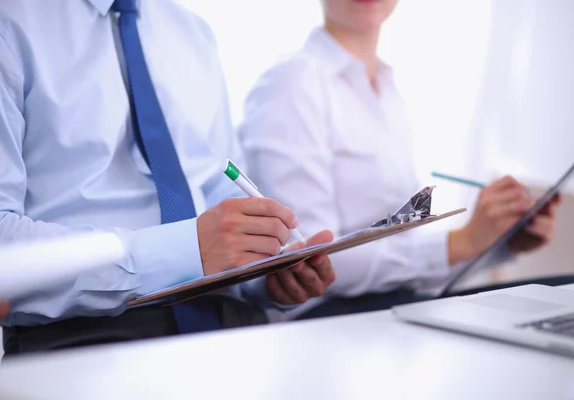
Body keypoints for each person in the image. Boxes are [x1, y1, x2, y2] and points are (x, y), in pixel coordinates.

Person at [0, 0, 336, 356]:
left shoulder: (193, 31)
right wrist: (184, 251)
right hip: (89, 339)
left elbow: (222, 190)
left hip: (235, 327)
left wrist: (266, 274)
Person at [238, 0, 563, 320]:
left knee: (556, 294)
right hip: (327, 319)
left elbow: (403, 263)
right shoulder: (292, 82)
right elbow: (311, 255)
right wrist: (460, 242)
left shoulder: (388, 92)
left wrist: (498, 243)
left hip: (388, 306)